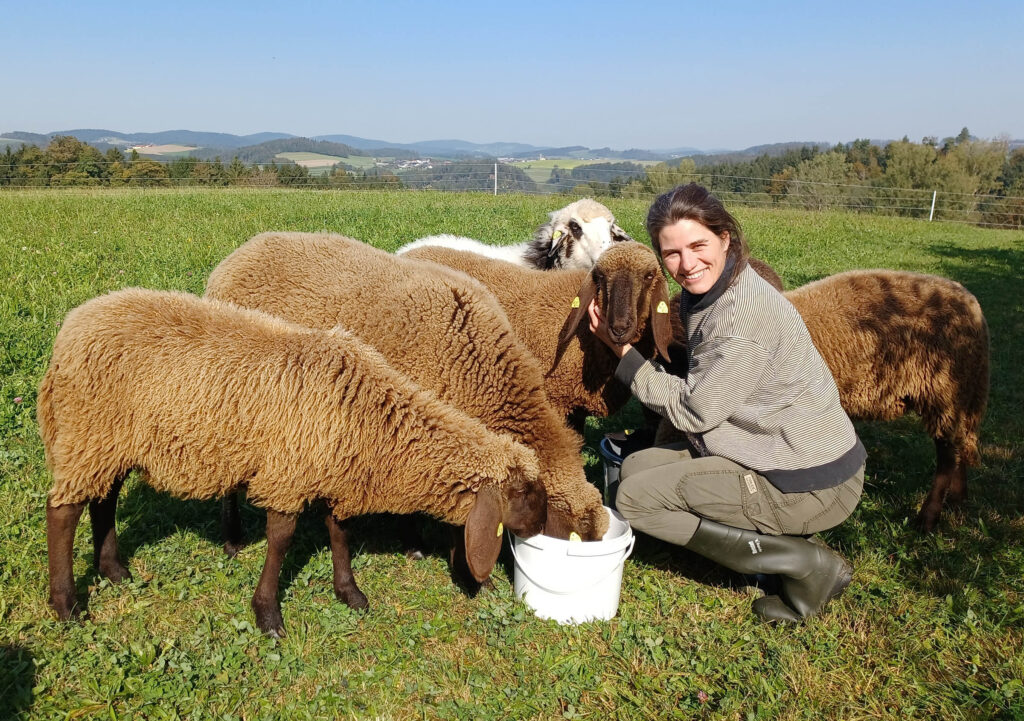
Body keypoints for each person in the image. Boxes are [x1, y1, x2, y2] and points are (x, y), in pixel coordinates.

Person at [588, 183, 865, 623]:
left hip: (806, 481)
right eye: (672, 253)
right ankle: (785, 549)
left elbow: (695, 411)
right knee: (635, 470)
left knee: (637, 500)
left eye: (698, 245)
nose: (687, 264)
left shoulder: (741, 320)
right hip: (778, 448)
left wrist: (625, 358)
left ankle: (806, 565)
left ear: (725, 238)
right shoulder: (722, 287)